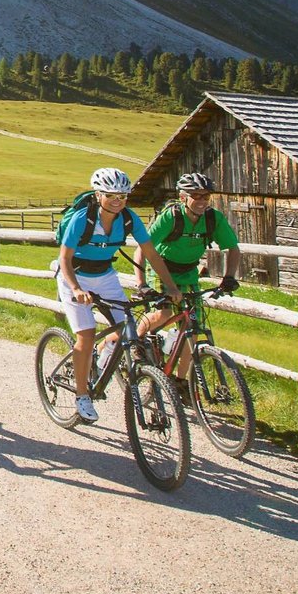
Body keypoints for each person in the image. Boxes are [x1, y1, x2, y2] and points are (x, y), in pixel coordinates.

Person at [56, 167, 178, 424]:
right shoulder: (82, 219)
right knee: (86, 334)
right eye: (111, 195)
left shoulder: (129, 219)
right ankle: (82, 396)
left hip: (105, 275)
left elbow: (152, 255)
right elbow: (64, 259)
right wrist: (77, 289)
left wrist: (171, 287)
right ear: (98, 195)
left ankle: (104, 354)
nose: (118, 201)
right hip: (75, 276)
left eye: (123, 196)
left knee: (126, 326)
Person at [136, 172, 242, 385]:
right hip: (160, 269)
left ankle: (180, 381)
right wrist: (141, 284)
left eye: (206, 196)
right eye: (196, 195)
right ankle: (137, 341)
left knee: (192, 330)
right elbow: (143, 248)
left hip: (188, 272)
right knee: (163, 313)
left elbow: (233, 248)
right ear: (184, 197)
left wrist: (229, 276)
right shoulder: (171, 217)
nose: (202, 201)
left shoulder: (214, 219)